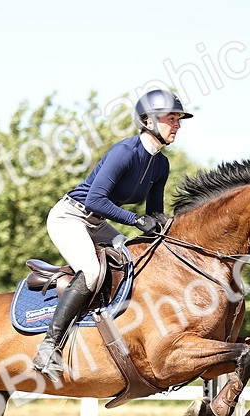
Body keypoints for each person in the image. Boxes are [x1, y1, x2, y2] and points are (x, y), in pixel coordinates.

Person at [32, 88, 192, 381]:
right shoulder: (124, 153)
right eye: (172, 119)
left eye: (179, 120)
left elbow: (154, 213)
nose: (178, 125)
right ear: (149, 121)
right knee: (91, 271)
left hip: (98, 221)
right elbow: (94, 200)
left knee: (131, 259)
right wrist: (135, 220)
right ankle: (48, 347)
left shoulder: (161, 164)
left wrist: (172, 231)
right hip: (71, 216)